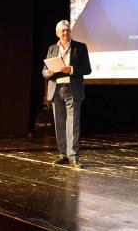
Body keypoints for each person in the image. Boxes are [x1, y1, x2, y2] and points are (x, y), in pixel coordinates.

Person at [43, 20, 91, 168]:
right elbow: (44, 70)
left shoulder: (80, 47)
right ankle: (63, 155)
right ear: (57, 33)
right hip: (56, 89)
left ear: (70, 32)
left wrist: (72, 69)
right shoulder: (52, 48)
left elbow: (87, 69)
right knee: (59, 125)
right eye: (62, 31)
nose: (65, 33)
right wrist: (47, 73)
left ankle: (73, 157)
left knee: (73, 124)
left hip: (72, 89)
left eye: (67, 30)